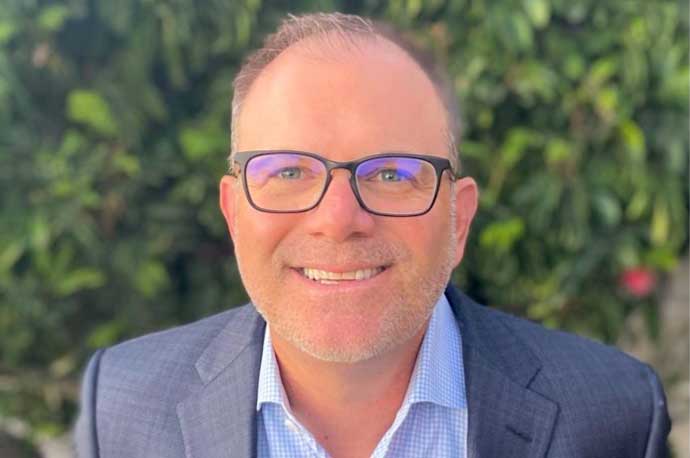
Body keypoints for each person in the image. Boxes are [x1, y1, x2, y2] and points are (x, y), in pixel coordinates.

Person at [75, 12, 671, 458]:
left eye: (393, 174)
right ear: (233, 213)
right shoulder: (123, 408)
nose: (338, 220)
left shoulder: (614, 416)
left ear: (458, 219)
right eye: (288, 172)